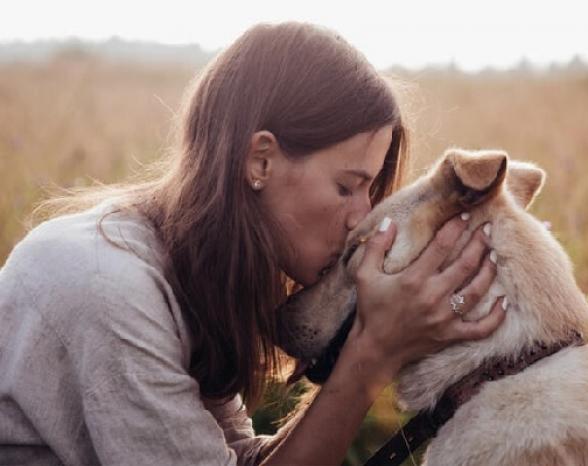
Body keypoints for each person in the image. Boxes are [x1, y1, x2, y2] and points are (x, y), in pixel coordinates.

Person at [0, 22, 505, 465]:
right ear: (260, 160)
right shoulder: (109, 289)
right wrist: (373, 352)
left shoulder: (186, 272)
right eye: (347, 186)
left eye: (372, 190)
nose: (362, 218)